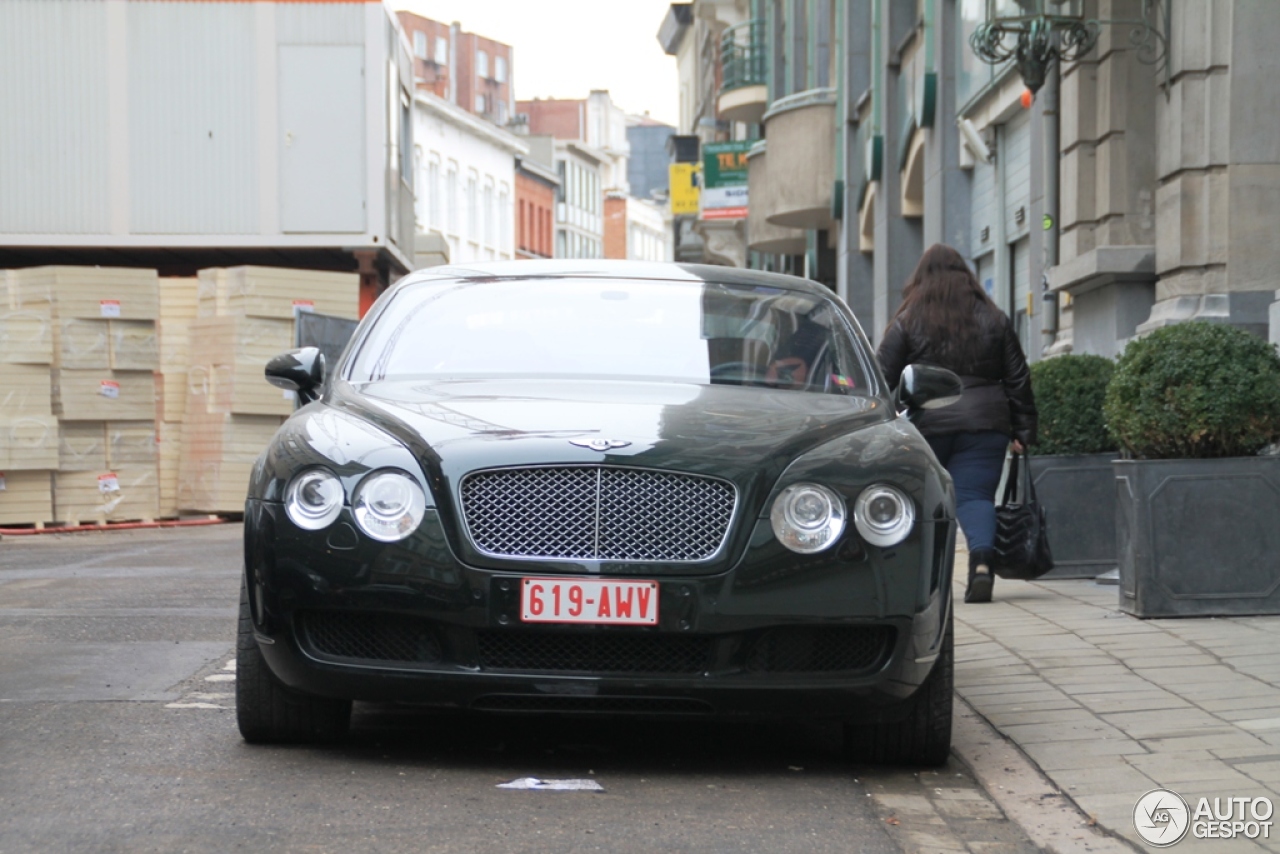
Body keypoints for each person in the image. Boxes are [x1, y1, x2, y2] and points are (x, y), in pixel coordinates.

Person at [877, 244, 1037, 603]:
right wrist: (1023, 430)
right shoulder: (993, 318)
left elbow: (882, 374)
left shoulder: (908, 319)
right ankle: (981, 564)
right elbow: (1017, 378)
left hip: (927, 424)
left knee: (921, 500)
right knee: (974, 496)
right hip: (985, 422)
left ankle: (921, 579)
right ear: (967, 276)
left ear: (921, 278)